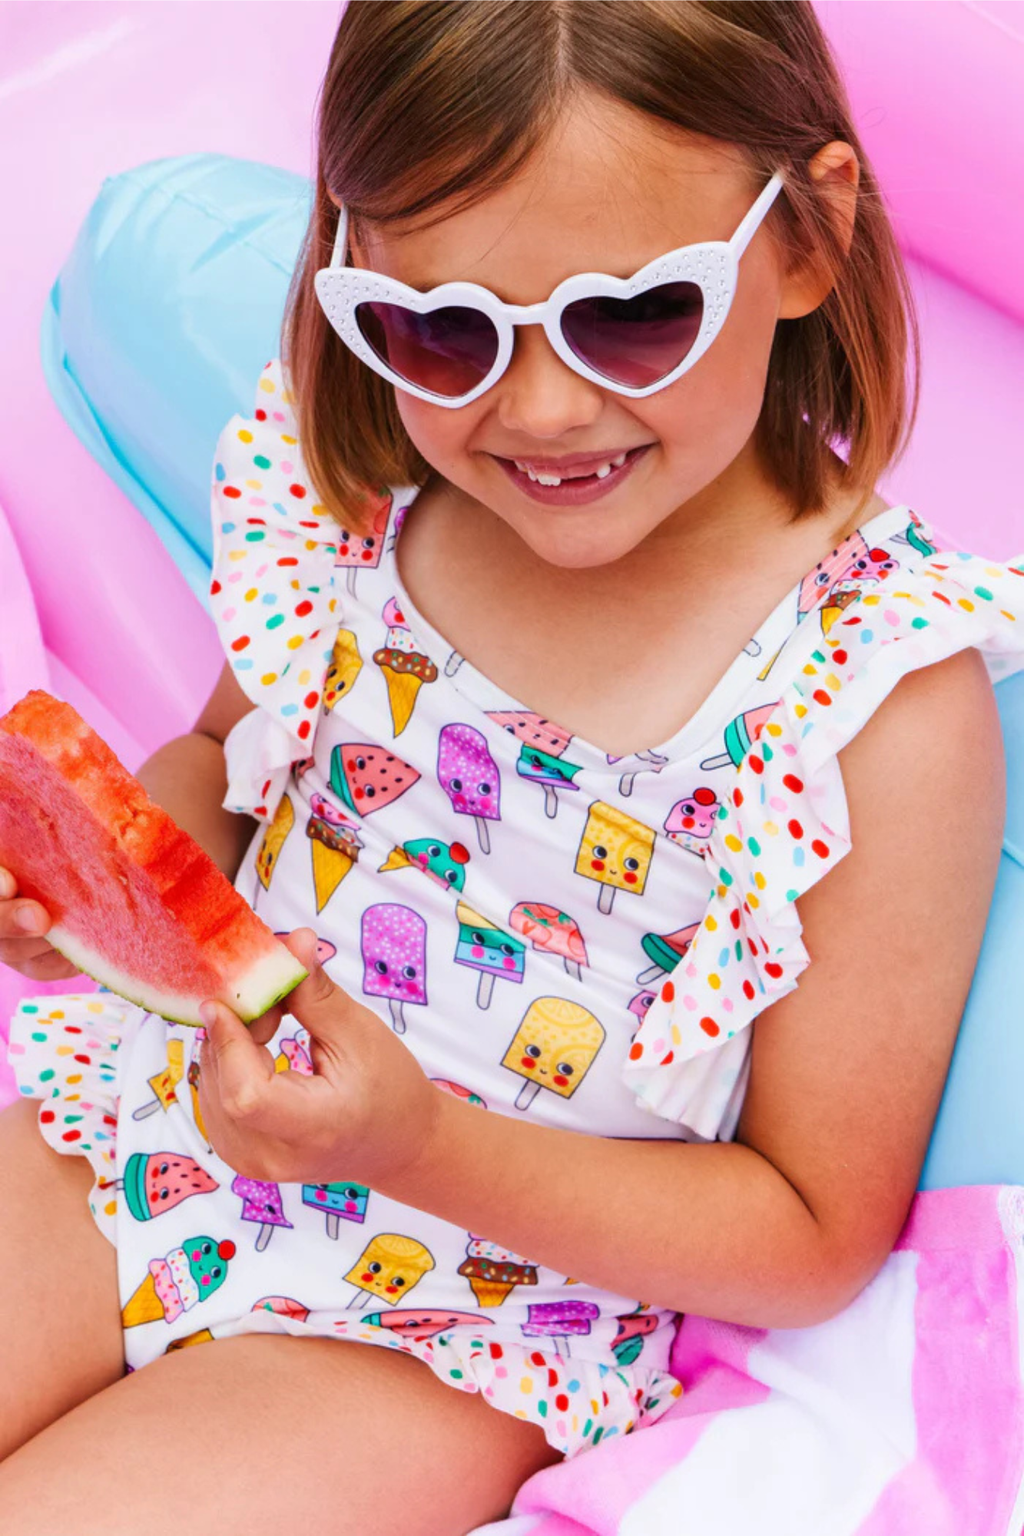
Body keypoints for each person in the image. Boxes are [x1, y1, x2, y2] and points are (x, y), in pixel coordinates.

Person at [1, 3, 1022, 1531]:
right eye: (442, 330)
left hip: (474, 1317)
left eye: (633, 315)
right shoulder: (353, 495)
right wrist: (114, 869)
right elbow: (231, 754)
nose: (539, 409)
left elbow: (810, 1233)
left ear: (808, 238)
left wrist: (415, 1145)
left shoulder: (877, 699)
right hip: (152, 1121)